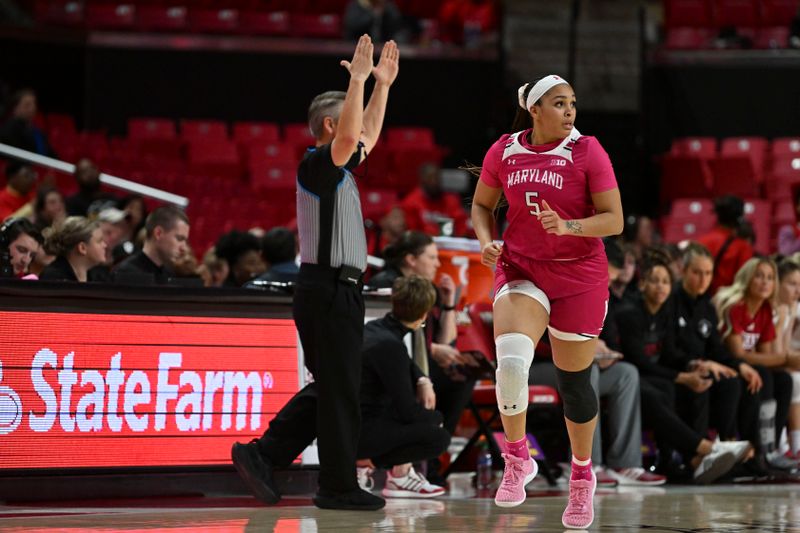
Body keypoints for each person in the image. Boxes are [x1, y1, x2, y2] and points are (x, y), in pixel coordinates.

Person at [233, 35, 399, 512]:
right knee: (340, 390)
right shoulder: (315, 165)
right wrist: (358, 80)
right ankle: (336, 485)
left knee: (335, 387)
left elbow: (363, 138)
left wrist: (381, 86)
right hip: (325, 288)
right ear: (329, 123)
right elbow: (350, 139)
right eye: (349, 108)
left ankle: (264, 454)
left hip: (339, 291)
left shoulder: (341, 170)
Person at [471, 75, 623, 529]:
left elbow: (614, 220)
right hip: (522, 268)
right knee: (512, 361)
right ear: (535, 109)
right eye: (560, 104)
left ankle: (581, 478)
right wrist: (485, 241)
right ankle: (517, 459)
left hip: (579, 275)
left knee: (574, 384)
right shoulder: (503, 150)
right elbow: (482, 205)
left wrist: (570, 227)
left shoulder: (587, 151)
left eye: (573, 103)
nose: (570, 111)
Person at [231, 276, 449, 505]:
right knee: (437, 438)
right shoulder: (391, 347)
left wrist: (422, 378)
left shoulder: (372, 330)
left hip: (340, 418)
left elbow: (400, 360)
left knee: (323, 395)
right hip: (356, 430)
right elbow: (407, 411)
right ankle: (370, 465)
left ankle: (266, 456)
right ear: (424, 314)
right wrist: (436, 419)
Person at [618, 253, 749, 483]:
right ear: (642, 284)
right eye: (655, 280)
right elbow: (639, 361)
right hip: (630, 374)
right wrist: (682, 377)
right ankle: (703, 450)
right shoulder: (631, 314)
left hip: (655, 374)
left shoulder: (664, 313)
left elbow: (669, 353)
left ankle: (694, 461)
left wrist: (693, 366)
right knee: (665, 390)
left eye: (666, 281)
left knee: (694, 384)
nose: (661, 286)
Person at [670, 243, 765, 476]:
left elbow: (716, 348)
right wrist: (698, 363)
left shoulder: (706, 304)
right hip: (677, 368)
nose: (703, 279)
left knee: (737, 379)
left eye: (708, 273)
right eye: (697, 272)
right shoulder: (671, 300)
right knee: (710, 379)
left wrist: (740, 365)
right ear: (684, 270)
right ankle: (705, 453)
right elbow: (668, 349)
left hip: (705, 366)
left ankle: (736, 449)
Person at [714, 257, 800, 471]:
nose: (765, 282)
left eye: (770, 278)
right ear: (747, 278)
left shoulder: (764, 311)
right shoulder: (735, 307)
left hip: (751, 369)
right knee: (763, 374)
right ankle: (756, 451)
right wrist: (789, 358)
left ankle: (770, 449)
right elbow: (739, 354)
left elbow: (768, 356)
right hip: (726, 365)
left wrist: (785, 361)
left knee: (784, 380)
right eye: (759, 276)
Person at [112, 205, 189, 285]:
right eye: (179, 238)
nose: (184, 248)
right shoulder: (126, 274)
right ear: (158, 233)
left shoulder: (170, 274)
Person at [697, 195, 754, 295]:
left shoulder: (701, 241)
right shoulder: (742, 247)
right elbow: (744, 281)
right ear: (739, 218)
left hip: (702, 300)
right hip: (728, 302)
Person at [773, 259, 800, 462]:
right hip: (766, 364)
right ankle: (784, 445)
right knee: (793, 380)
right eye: (792, 284)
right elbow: (775, 352)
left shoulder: (790, 308)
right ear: (778, 283)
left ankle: (794, 445)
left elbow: (785, 349)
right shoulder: (773, 309)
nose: (797, 290)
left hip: (778, 361)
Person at [399, 163, 470, 237]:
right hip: (422, 244)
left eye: (437, 177)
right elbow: (411, 232)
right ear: (422, 180)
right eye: (430, 178)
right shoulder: (411, 202)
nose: (434, 181)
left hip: (449, 244)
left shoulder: (450, 201)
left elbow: (462, 227)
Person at [39, 217, 107, 282]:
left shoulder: (98, 276)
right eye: (99, 241)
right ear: (82, 248)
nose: (105, 245)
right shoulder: (53, 278)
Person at [0, 88, 56, 157]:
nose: (33, 108)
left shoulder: (37, 132)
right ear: (15, 108)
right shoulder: (8, 130)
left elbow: (51, 155)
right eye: (27, 105)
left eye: (34, 104)